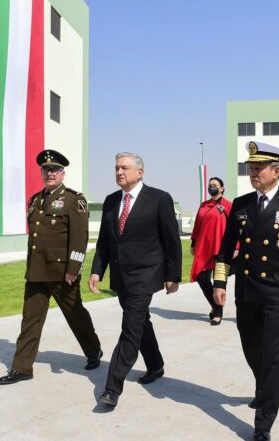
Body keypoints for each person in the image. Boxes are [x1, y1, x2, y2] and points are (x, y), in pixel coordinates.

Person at [212, 141, 279, 441]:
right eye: (251, 167)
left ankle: (263, 422)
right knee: (250, 347)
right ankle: (270, 386)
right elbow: (225, 249)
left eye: (259, 168)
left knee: (271, 355)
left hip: (276, 290)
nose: (253, 172)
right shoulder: (242, 204)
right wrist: (220, 283)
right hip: (245, 289)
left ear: (277, 171)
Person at [0, 150, 102, 385]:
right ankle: (22, 367)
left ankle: (93, 350)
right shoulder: (35, 199)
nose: (49, 173)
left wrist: (73, 268)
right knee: (30, 320)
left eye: (54, 170)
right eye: (46, 170)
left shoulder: (75, 200)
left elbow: (79, 238)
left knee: (75, 315)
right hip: (36, 272)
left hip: (61, 273)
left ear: (63, 173)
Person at [89, 152, 182, 407]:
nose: (119, 172)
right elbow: (104, 243)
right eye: (117, 168)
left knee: (130, 328)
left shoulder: (159, 198)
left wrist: (173, 276)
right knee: (141, 322)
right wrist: (97, 270)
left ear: (140, 172)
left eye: (125, 168)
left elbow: (171, 240)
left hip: (146, 273)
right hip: (121, 276)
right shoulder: (110, 202)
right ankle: (155, 365)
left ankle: (112, 387)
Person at [190, 177, 232, 325]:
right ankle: (215, 305)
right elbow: (197, 225)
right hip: (203, 247)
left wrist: (237, 247)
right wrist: (193, 243)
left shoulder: (228, 205)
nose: (212, 187)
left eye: (215, 185)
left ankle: (218, 312)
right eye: (210, 185)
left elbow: (235, 228)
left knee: (219, 282)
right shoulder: (203, 205)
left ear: (222, 188)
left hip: (222, 249)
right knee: (201, 277)